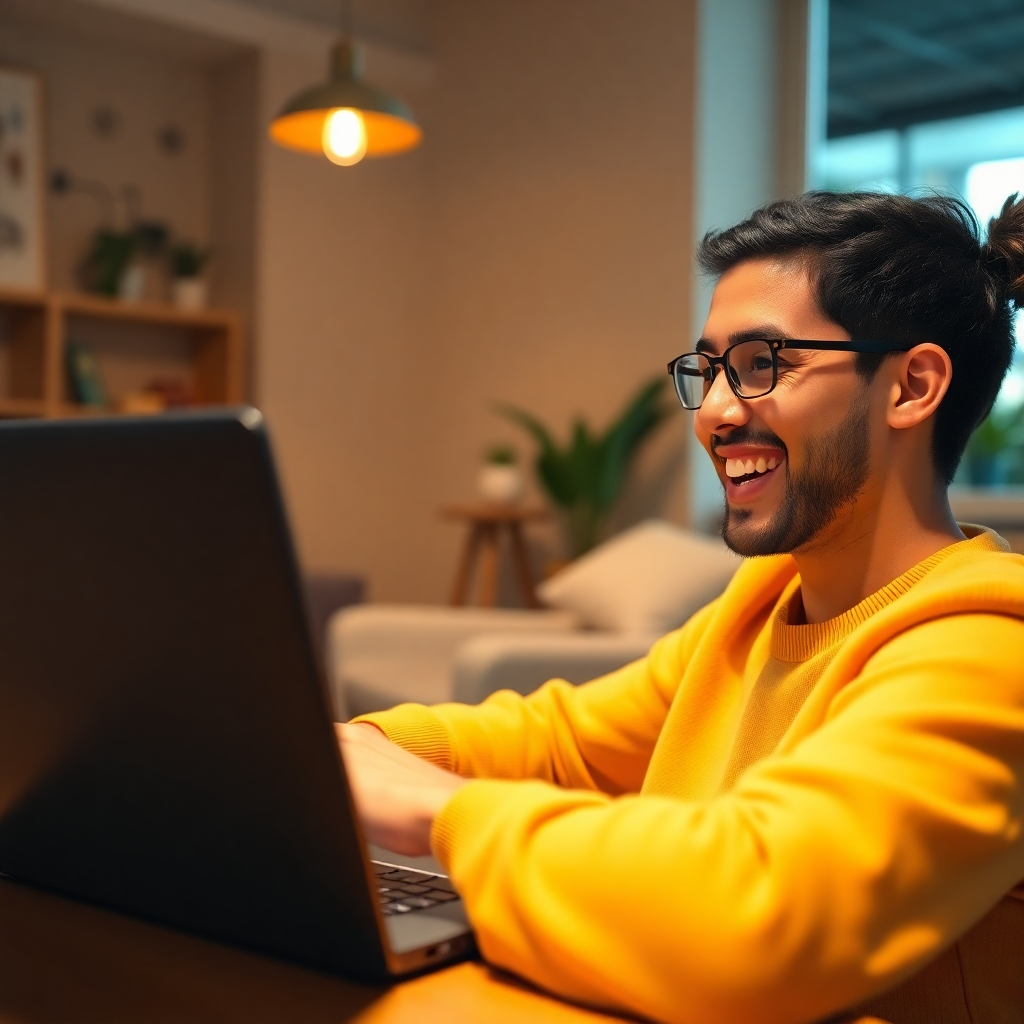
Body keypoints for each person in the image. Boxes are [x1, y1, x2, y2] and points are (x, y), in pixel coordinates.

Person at [337, 191, 1024, 1024]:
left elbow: (760, 918)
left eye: (764, 364)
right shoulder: (761, 606)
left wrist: (429, 808)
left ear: (912, 386)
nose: (719, 412)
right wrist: (349, 747)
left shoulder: (991, 651)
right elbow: (562, 741)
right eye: (710, 370)